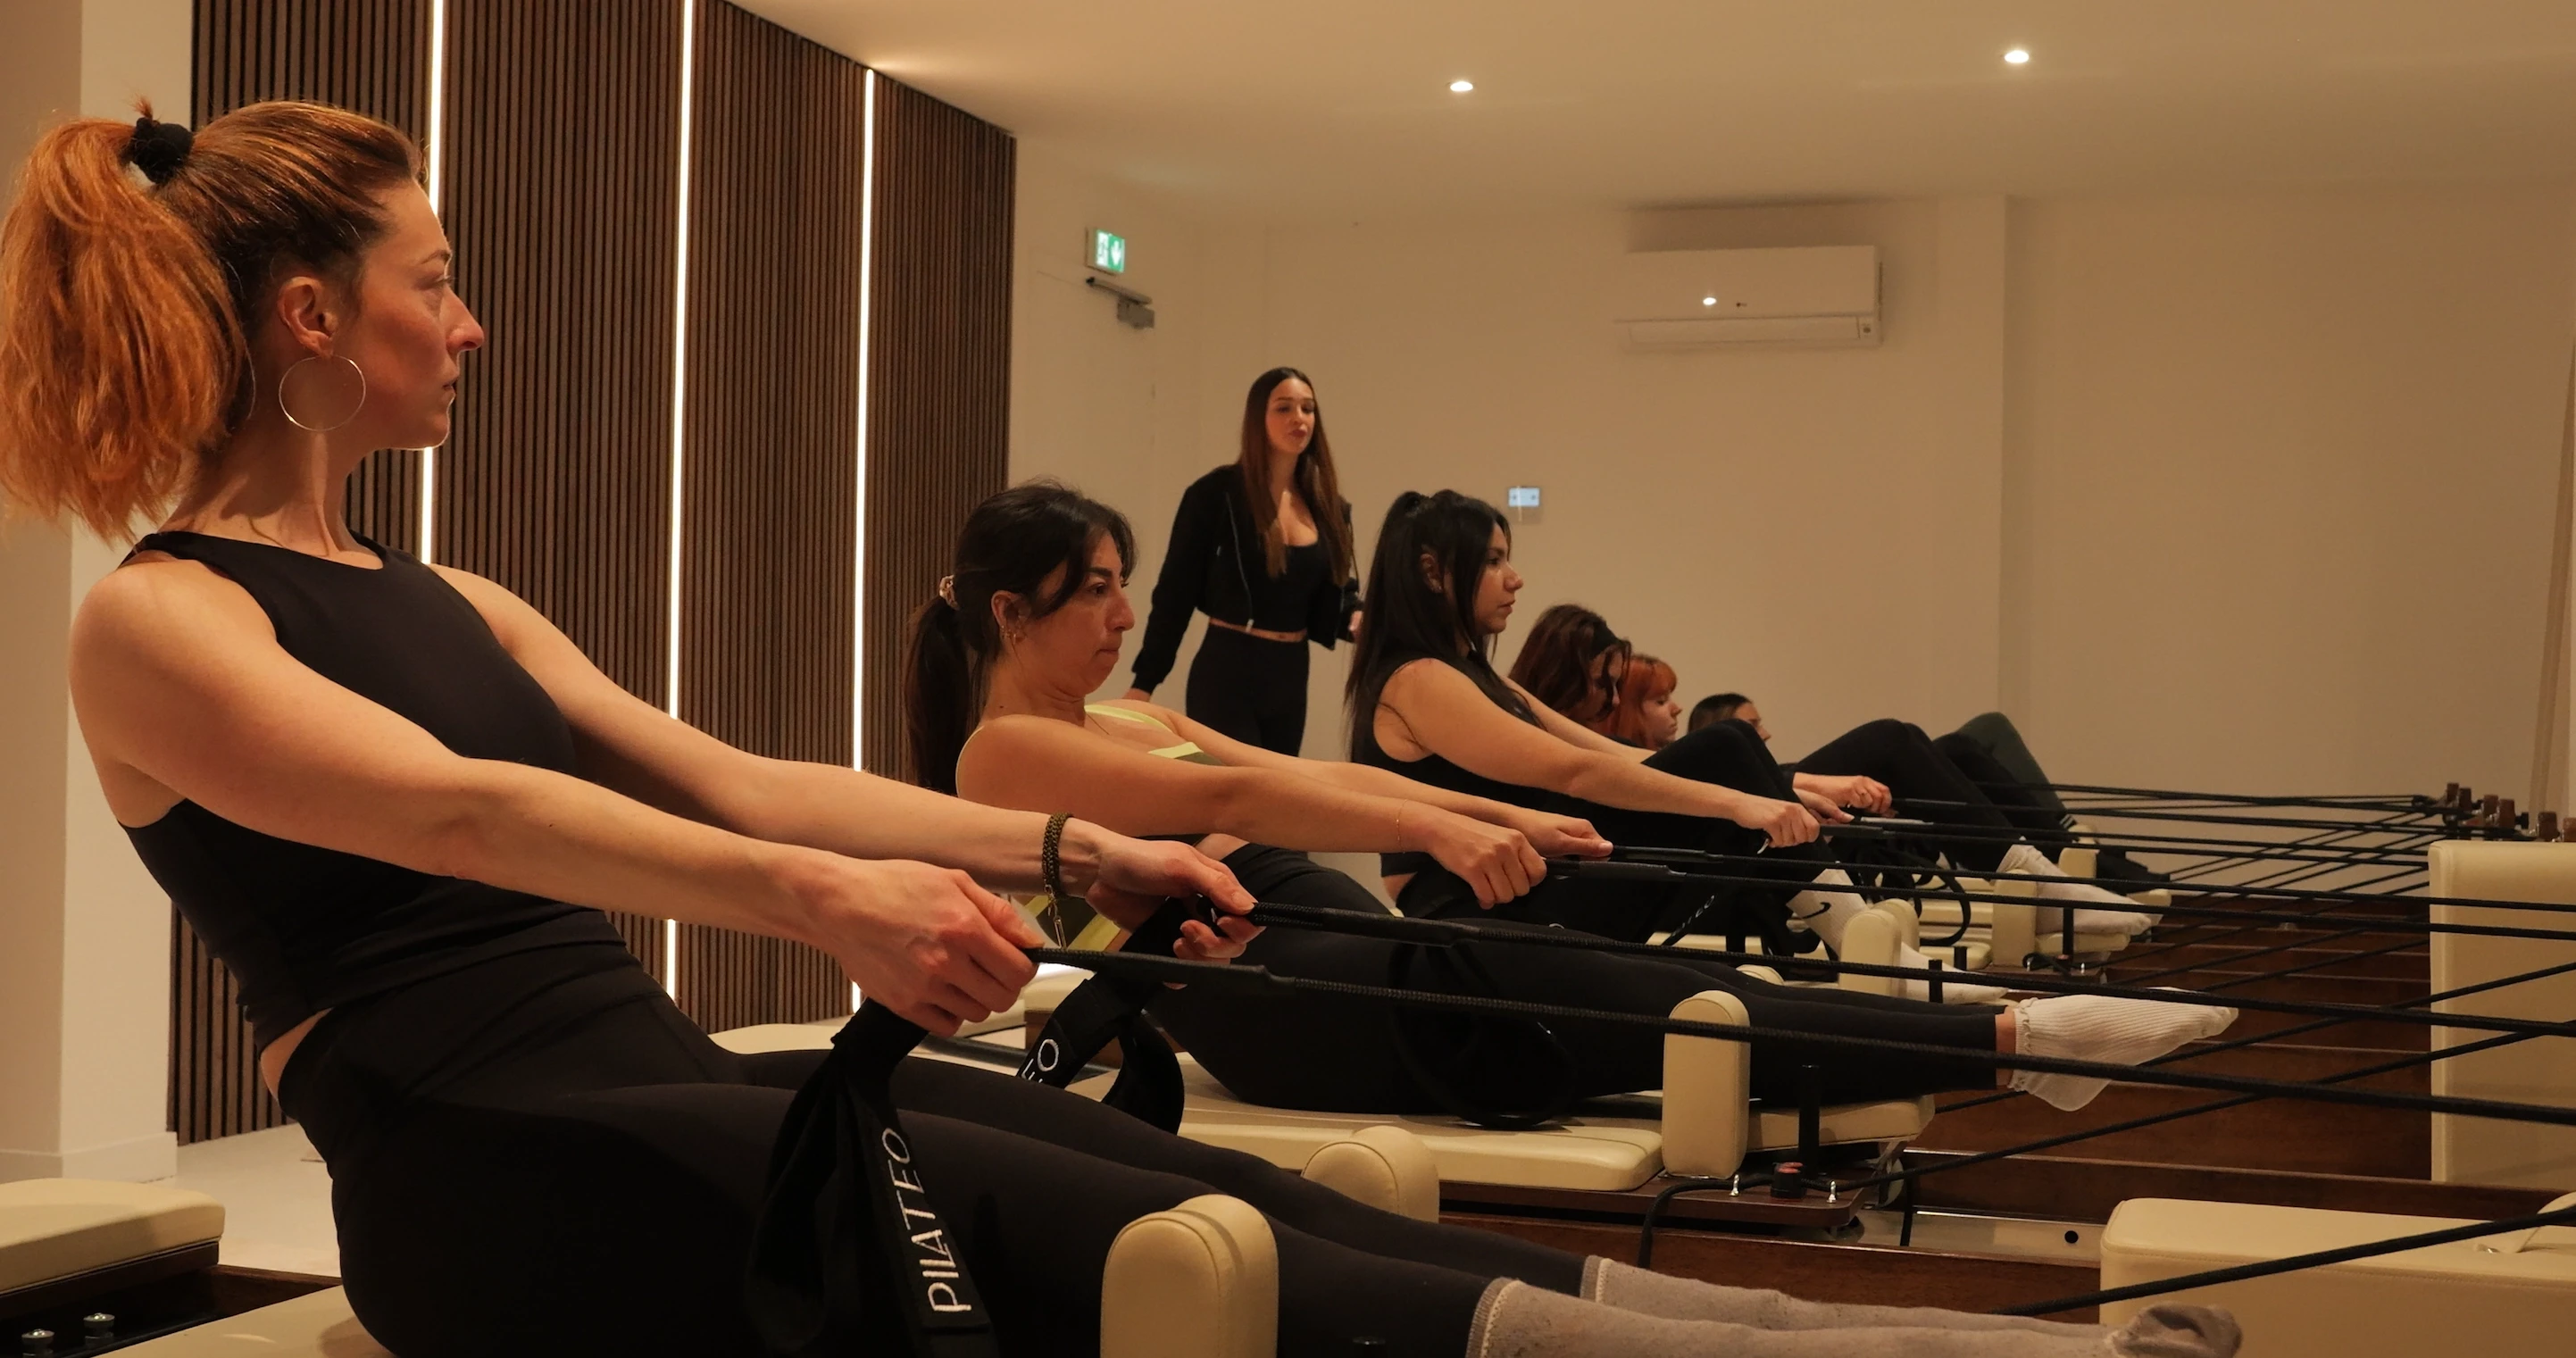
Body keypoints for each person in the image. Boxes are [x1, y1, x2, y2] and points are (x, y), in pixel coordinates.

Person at [2, 101, 2243, 1358]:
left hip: (653, 1085)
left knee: (1202, 1181)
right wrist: (825, 898)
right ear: (315, 322)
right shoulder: (162, 626)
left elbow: (735, 773)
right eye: (434, 281)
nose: (472, 323)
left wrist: (1069, 860)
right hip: (480, 1172)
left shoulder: (450, 585)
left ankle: (1890, 1349)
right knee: (1128, 1236)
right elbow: (477, 815)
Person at [908, 482, 2239, 1122]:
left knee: (1584, 983)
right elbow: (1256, 788)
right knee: (1562, 1001)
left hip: (1314, 930)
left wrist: (1503, 820)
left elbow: (1304, 778)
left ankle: (2011, 1043)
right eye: (1094, 589)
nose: (1125, 612)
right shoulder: (998, 757)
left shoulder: (1125, 712)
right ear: (1010, 613)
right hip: (1266, 990)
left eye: (1123, 579)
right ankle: (2016, 1043)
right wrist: (1438, 822)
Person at [1513, 607, 2151, 936]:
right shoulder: (1561, 740)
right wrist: (1804, 786)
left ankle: (2057, 868)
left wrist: (1797, 789)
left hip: (1703, 831)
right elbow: (1663, 777)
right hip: (1663, 864)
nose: (1661, 705)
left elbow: (1664, 771)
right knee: (1888, 739)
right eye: (1615, 683)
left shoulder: (1592, 733)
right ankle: (2046, 877)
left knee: (1956, 745)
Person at [1124, 367, 1362, 754]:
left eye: (1308, 409)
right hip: (1229, 668)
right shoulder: (1215, 495)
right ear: (1258, 419)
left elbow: (1338, 592)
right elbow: (1175, 593)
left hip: (1290, 672)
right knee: (1234, 798)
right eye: (1284, 408)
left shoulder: (1330, 507)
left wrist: (1357, 617)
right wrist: (1145, 682)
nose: (1299, 419)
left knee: (1277, 798)